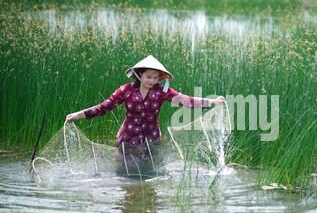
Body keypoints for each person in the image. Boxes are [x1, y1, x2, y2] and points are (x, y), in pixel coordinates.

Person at [66, 55, 224, 175]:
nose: (152, 81)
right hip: (127, 140)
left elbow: (187, 101)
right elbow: (104, 107)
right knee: (124, 175)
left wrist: (211, 103)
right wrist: (79, 115)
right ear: (139, 75)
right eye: (148, 77)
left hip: (151, 141)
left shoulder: (162, 92)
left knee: (148, 175)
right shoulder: (126, 90)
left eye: (156, 78)